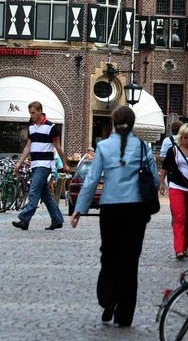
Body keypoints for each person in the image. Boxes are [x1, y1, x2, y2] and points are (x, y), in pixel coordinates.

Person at [71, 106, 159, 327]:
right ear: (132, 123)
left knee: (108, 255)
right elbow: (155, 180)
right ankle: (124, 315)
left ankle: (107, 299)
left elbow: (91, 180)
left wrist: (79, 209)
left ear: (113, 123)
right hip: (135, 210)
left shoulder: (102, 146)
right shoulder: (142, 147)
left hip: (110, 209)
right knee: (130, 262)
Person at [12, 101, 69, 231]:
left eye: (33, 113)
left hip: (44, 165)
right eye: (30, 113)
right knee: (45, 195)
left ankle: (24, 218)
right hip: (35, 164)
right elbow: (28, 146)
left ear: (40, 111)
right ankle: (57, 220)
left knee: (33, 191)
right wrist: (20, 162)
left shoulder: (51, 127)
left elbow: (58, 147)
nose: (31, 115)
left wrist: (64, 163)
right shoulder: (31, 127)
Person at [159, 124, 188, 260]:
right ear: (180, 137)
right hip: (176, 187)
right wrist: (162, 182)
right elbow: (165, 167)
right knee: (179, 217)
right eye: (185, 137)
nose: (187, 140)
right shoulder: (173, 150)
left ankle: (185, 247)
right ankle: (179, 249)